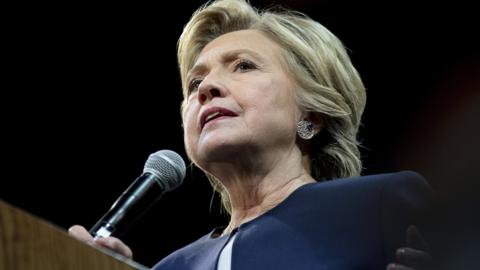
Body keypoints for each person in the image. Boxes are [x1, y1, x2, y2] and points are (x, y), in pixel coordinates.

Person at [69, 0, 434, 269]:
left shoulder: (379, 208)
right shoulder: (170, 267)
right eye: (195, 82)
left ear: (312, 114)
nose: (207, 88)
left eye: (243, 66)